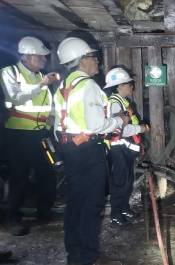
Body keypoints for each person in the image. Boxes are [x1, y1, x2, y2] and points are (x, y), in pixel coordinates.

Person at [54, 37, 128, 265]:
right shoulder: (88, 86)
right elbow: (97, 125)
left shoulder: (64, 86)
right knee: (92, 203)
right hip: (87, 150)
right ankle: (88, 256)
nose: (97, 61)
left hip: (69, 148)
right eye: (92, 57)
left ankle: (74, 253)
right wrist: (119, 121)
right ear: (81, 60)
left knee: (76, 201)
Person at [0, 36, 59, 235]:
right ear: (27, 56)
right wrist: (42, 84)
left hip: (40, 135)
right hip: (18, 135)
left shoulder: (40, 76)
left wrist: (51, 119)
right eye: (40, 56)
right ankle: (12, 219)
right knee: (19, 177)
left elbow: (48, 105)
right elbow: (15, 98)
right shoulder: (10, 72)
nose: (44, 60)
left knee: (48, 174)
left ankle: (43, 213)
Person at [103, 67, 149, 227]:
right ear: (119, 86)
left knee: (128, 180)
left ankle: (124, 208)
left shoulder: (124, 102)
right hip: (118, 149)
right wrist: (141, 129)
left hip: (126, 148)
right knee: (120, 182)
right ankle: (115, 214)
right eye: (129, 84)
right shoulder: (115, 104)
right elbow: (119, 129)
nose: (131, 86)